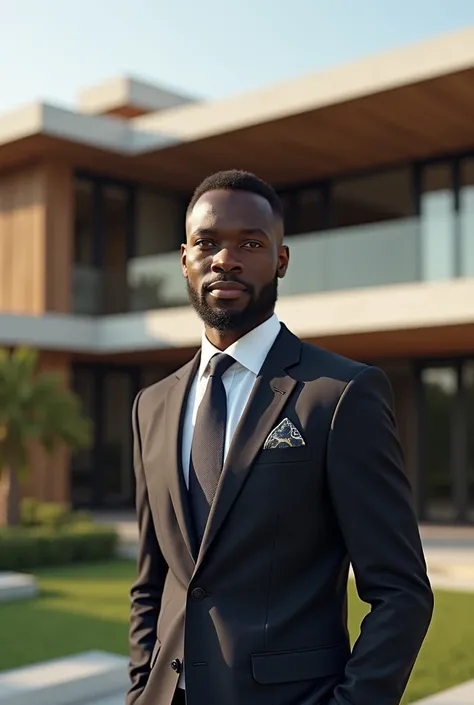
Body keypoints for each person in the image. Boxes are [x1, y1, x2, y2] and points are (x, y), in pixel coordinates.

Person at [127, 170, 434, 705]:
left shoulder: (340, 395)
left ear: (282, 261)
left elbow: (401, 593)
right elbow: (152, 583)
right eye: (207, 243)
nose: (226, 258)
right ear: (184, 260)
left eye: (251, 242)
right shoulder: (150, 407)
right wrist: (139, 690)